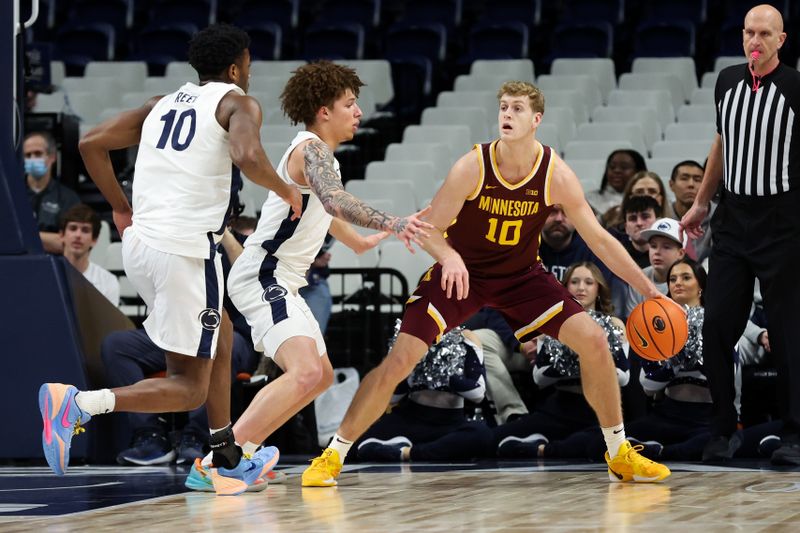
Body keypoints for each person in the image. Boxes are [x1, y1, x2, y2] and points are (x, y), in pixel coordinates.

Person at [303, 80, 675, 487]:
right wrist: (450, 257)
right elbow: (429, 228)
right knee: (399, 361)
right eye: (503, 107)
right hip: (463, 273)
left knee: (595, 342)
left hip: (522, 277)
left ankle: (619, 453)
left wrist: (650, 290)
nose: (507, 115)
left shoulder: (555, 175)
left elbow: (600, 240)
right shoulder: (472, 166)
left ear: (536, 119)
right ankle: (332, 455)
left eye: (517, 109)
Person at [38, 24, 302, 495]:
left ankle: (225, 454)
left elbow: (90, 143)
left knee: (221, 331)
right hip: (184, 250)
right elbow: (247, 154)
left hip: (142, 245)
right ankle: (78, 405)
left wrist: (119, 206)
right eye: (248, 65)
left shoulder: (160, 104)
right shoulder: (238, 103)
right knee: (189, 387)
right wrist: (286, 190)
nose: (249, 73)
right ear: (236, 68)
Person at [191, 60, 432, 480]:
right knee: (305, 372)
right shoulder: (311, 149)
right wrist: (394, 223)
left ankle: (243, 453)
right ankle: (218, 463)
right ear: (324, 111)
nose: (358, 112)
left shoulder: (320, 157)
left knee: (319, 377)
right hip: (265, 274)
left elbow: (322, 207)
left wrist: (359, 242)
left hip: (280, 278)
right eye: (349, 104)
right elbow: (335, 201)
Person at [681, 4, 800, 465]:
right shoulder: (727, 80)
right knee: (716, 326)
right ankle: (722, 427)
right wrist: (701, 202)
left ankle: (793, 434)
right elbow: (722, 143)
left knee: (787, 332)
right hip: (733, 220)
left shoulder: (794, 87)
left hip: (782, 223)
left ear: (781, 40)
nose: (755, 40)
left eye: (765, 34)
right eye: (749, 32)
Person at [493, 262, 629, 458]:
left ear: (599, 289)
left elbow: (623, 377)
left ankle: (541, 449)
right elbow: (539, 377)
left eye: (589, 282)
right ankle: (551, 443)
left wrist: (583, 358)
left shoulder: (615, 324)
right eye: (574, 282)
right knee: (491, 438)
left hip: (597, 412)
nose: (581, 288)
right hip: (559, 407)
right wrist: (577, 361)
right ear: (565, 288)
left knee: (602, 444)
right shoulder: (551, 324)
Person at [354, 322, 493, 462]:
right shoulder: (409, 337)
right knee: (350, 446)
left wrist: (443, 377)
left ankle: (405, 452)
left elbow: (478, 394)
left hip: (450, 423)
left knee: (483, 435)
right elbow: (392, 397)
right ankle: (425, 449)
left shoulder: (467, 337)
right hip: (410, 420)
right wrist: (415, 376)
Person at [24, 131, 81, 254]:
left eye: (38, 153)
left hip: (54, 263)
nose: (32, 159)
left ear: (52, 157)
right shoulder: (11, 196)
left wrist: (22, 235)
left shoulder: (68, 198)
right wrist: (49, 238)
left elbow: (70, 243)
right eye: (28, 155)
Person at [623, 218, 686, 319]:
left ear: (681, 253)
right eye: (653, 246)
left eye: (666, 247)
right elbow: (633, 320)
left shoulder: (690, 281)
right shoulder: (639, 277)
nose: (657, 252)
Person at [59, 203, 120, 306]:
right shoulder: (46, 275)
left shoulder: (108, 281)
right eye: (73, 228)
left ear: (94, 240)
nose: (78, 235)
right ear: (62, 235)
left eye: (85, 230)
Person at [585, 149, 647, 216]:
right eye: (612, 167)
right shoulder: (590, 199)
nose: (617, 171)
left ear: (638, 172)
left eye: (624, 167)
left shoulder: (647, 198)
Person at [617, 195, 660, 269]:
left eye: (645, 217)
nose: (639, 223)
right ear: (626, 227)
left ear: (658, 221)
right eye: (632, 218)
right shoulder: (617, 256)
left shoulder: (671, 253)